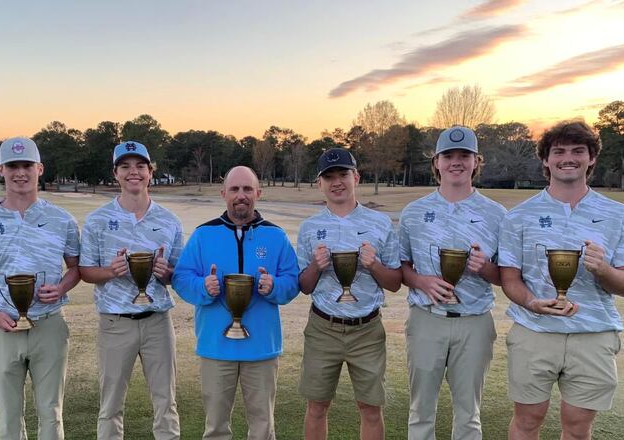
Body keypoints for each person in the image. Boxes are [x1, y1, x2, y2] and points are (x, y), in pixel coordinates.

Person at [498, 120, 623, 440]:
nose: (568, 157)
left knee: (578, 426)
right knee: (527, 420)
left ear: (592, 158)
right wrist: (531, 302)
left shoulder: (617, 215)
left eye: (578, 150)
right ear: (545, 159)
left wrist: (604, 271)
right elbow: (509, 277)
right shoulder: (519, 215)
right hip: (534, 332)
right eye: (559, 151)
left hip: (593, 333)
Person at [0, 136, 81, 440]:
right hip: (2, 328)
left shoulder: (61, 219)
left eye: (27, 165)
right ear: (1, 169)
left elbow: (76, 267)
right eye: (13, 166)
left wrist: (62, 286)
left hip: (49, 324)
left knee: (51, 411)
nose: (20, 172)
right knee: (9, 416)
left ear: (39, 168)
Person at [172, 166, 299, 440]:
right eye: (234, 189)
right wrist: (203, 287)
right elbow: (181, 279)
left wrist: (275, 286)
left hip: (262, 348)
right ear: (223, 194)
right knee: (216, 428)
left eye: (247, 189)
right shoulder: (203, 235)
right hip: (216, 348)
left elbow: (293, 281)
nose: (241, 195)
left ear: (258, 193)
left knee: (263, 428)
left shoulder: (275, 236)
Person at [398, 126, 505, 440]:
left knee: (469, 415)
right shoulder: (414, 212)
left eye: (464, 155)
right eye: (448, 155)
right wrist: (421, 281)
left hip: (474, 322)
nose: (455, 162)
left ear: (476, 162)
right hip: (426, 319)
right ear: (436, 162)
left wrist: (485, 268)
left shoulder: (497, 214)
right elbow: (401, 266)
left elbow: (507, 277)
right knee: (420, 413)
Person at [296, 148, 402, 440]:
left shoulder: (380, 224)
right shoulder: (310, 228)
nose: (336, 182)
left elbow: (394, 282)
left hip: (366, 329)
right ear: (320, 183)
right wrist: (316, 268)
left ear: (356, 176)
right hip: (323, 328)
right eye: (328, 177)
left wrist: (374, 265)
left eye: (342, 174)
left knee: (370, 408)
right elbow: (304, 286)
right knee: (317, 406)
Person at [80, 141, 183, 440]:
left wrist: (167, 274)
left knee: (166, 402)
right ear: (115, 173)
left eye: (140, 166)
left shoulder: (169, 220)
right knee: (110, 405)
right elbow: (86, 271)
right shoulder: (98, 220)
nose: (133, 172)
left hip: (157, 322)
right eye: (125, 166)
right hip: (115, 322)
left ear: (151, 172)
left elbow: (179, 274)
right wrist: (111, 272)